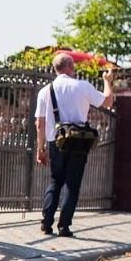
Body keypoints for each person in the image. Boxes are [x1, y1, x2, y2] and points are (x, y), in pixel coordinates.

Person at [35, 53, 115, 237]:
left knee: (55, 181)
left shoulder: (45, 91)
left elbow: (39, 123)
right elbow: (108, 101)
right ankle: (64, 226)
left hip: (56, 140)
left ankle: (46, 223)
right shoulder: (82, 86)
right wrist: (108, 81)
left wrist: (41, 149)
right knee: (72, 183)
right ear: (70, 65)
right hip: (79, 140)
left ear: (55, 68)